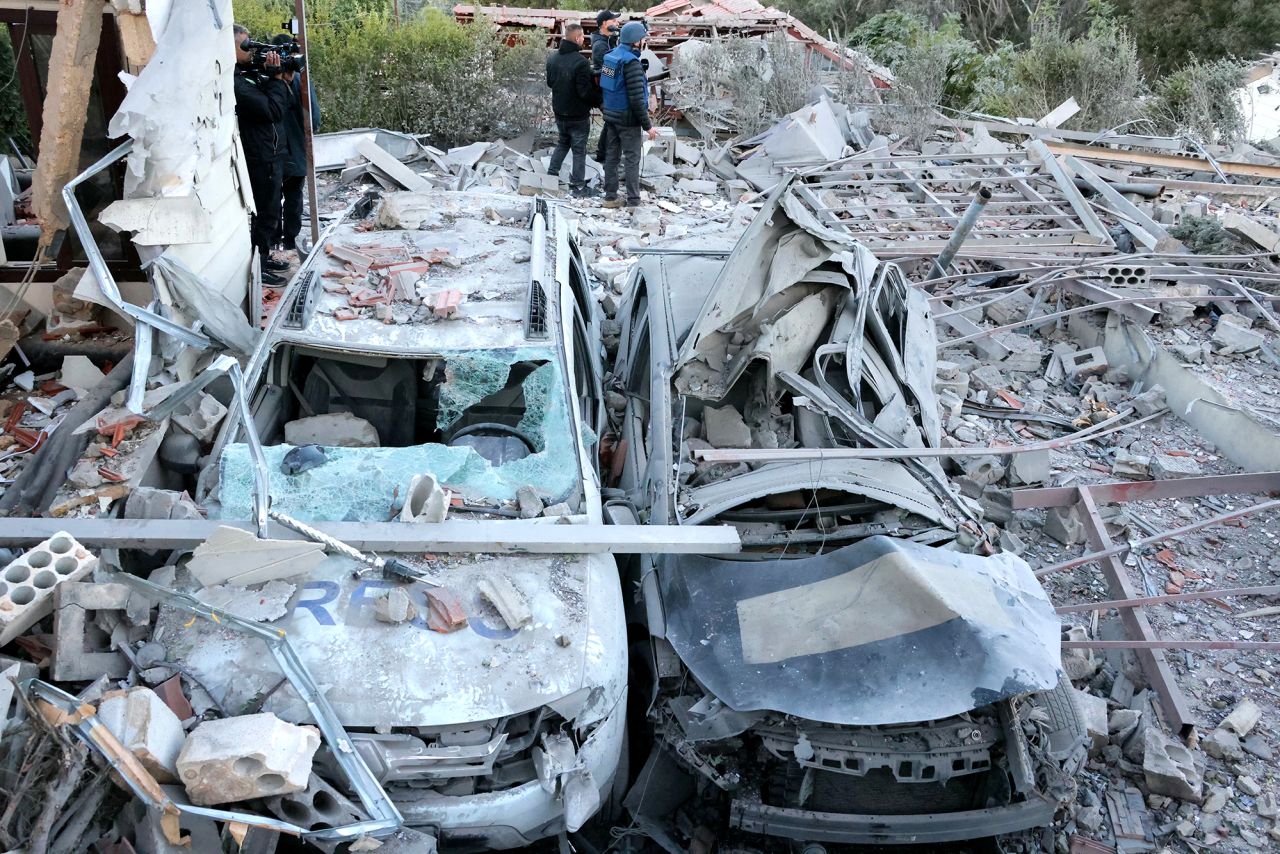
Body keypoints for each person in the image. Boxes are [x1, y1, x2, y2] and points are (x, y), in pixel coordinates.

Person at [233, 25, 291, 286]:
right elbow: (271, 110)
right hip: (259, 156)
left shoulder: (251, 74)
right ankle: (257, 266)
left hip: (272, 152)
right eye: (245, 45)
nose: (251, 50)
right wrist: (275, 81)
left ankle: (264, 257)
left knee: (271, 211)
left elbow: (282, 104)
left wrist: (277, 77)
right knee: (264, 213)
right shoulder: (236, 80)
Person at [271, 34, 320, 255]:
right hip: (297, 151)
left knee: (271, 198)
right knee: (293, 198)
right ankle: (289, 242)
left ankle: (274, 242)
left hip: (272, 151)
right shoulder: (302, 81)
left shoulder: (267, 78)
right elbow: (315, 120)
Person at [600, 21, 657, 209]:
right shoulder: (631, 63)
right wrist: (648, 126)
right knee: (632, 159)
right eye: (642, 39)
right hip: (627, 119)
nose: (644, 42)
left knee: (612, 157)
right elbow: (636, 99)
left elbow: (606, 86)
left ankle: (610, 197)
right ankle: (633, 201)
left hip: (610, 116)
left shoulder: (610, 57)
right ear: (635, 41)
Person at [546, 24, 601, 197]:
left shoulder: (552, 59)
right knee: (579, 151)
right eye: (583, 36)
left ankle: (551, 177)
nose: (584, 39)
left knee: (563, 143)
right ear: (577, 38)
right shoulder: (581, 62)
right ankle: (578, 186)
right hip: (577, 115)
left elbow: (550, 83)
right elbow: (584, 92)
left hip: (560, 112)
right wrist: (599, 99)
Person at [591, 11, 620, 164]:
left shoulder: (610, 41)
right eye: (613, 20)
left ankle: (602, 155)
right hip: (605, 91)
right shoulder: (600, 45)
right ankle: (603, 156)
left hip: (610, 90)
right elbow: (606, 70)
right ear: (604, 24)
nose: (616, 23)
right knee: (612, 121)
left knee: (611, 122)